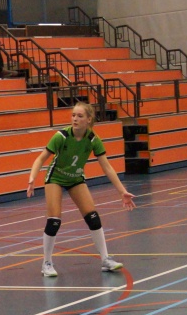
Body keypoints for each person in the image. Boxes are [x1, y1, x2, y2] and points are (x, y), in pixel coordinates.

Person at [26, 101, 137, 278]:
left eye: (79, 116)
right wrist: (32, 178)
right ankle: (46, 263)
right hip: (56, 178)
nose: (75, 119)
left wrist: (122, 191)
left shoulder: (93, 140)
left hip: (76, 178)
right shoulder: (61, 136)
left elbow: (107, 167)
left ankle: (105, 259)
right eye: (73, 115)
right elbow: (40, 159)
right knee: (54, 220)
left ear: (89, 119)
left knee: (93, 217)